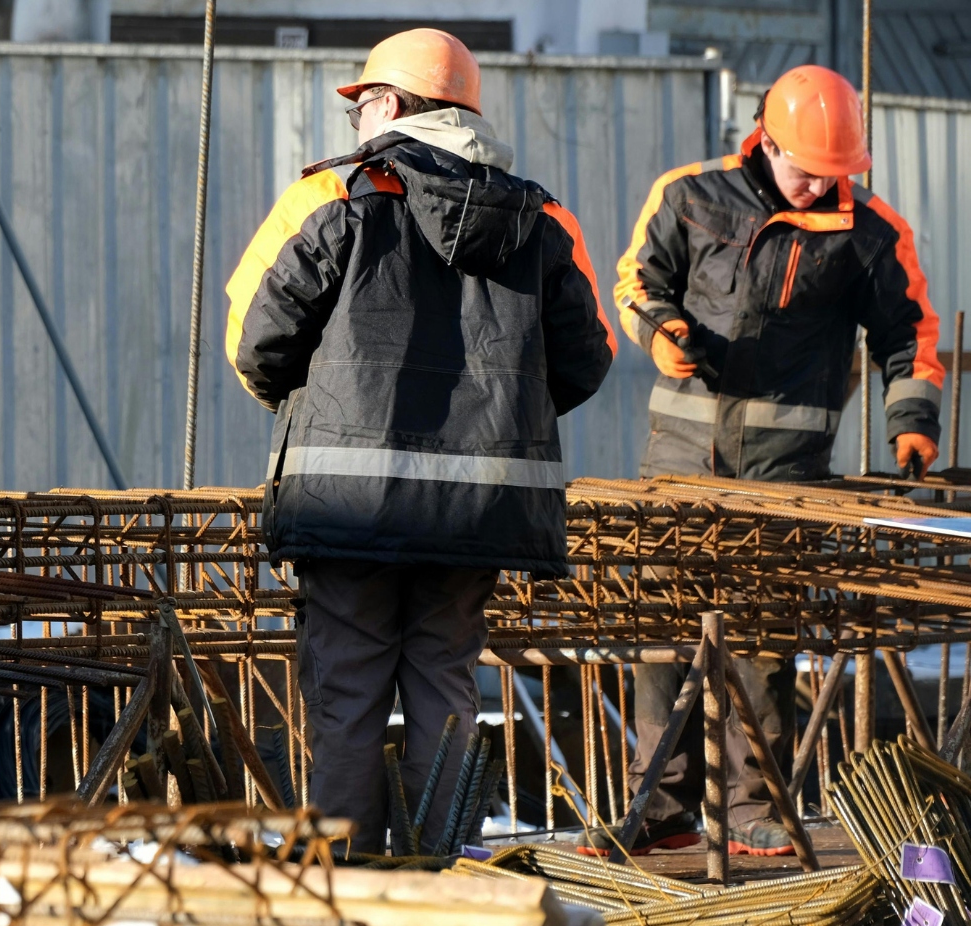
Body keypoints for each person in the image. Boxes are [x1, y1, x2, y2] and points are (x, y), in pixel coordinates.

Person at [226, 28, 616, 854]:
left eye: (363, 103)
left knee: (349, 691)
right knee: (445, 683)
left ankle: (344, 872)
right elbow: (587, 361)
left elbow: (255, 343)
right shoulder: (541, 218)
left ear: (393, 104)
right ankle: (445, 864)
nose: (358, 120)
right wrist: (497, 430)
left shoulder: (332, 198)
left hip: (348, 506)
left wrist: (319, 410)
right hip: (476, 519)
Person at [593, 64, 942, 858]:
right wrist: (661, 334)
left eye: (833, 175)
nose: (819, 187)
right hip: (680, 464)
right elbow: (637, 283)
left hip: (785, 476)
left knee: (761, 643)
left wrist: (911, 422)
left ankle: (755, 806)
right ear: (766, 139)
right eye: (805, 170)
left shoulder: (869, 234)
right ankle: (662, 807)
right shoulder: (689, 196)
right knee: (663, 637)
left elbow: (908, 335)